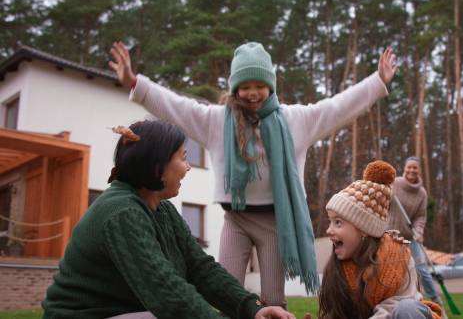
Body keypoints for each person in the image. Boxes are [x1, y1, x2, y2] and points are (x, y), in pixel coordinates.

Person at [108, 41, 398, 309]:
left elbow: (337, 107)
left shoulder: (296, 120)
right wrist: (135, 83)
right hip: (235, 219)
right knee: (227, 292)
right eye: (245, 86)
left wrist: (377, 82)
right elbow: (176, 106)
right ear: (235, 88)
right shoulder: (216, 120)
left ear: (271, 86)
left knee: (273, 298)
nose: (253, 93)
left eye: (260, 85)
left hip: (275, 223)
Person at [41, 120, 295, 319]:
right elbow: (165, 291)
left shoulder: (163, 210)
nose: (188, 167)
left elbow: (201, 269)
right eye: (183, 157)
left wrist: (252, 308)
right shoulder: (121, 212)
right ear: (156, 165)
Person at [305, 161, 442, 319]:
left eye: (338, 222)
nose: (329, 230)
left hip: (406, 313)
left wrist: (418, 231)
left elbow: (394, 308)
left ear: (363, 228)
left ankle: (437, 299)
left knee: (406, 308)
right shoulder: (339, 268)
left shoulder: (398, 260)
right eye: (330, 222)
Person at [385, 156, 448, 319]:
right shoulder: (395, 183)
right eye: (409, 167)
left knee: (420, 269)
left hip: (409, 237)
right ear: (404, 168)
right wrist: (387, 191)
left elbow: (420, 216)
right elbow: (382, 200)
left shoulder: (421, 193)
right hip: (388, 235)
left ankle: (437, 304)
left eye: (415, 168)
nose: (411, 170)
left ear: (419, 170)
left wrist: (418, 231)